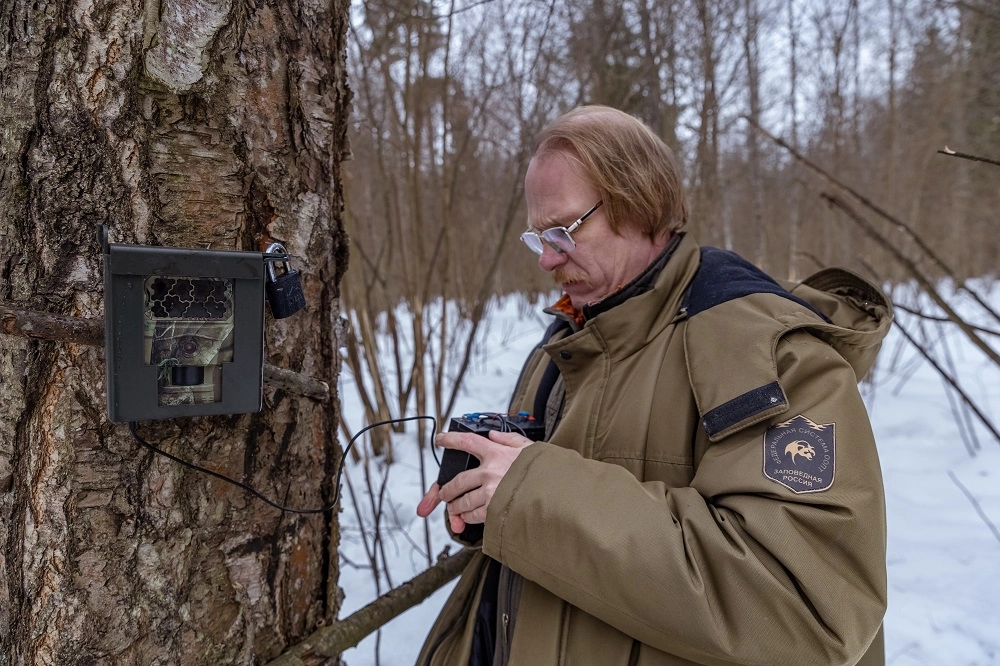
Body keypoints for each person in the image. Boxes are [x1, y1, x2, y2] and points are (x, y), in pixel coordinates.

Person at [416, 105, 891, 666]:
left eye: (564, 231)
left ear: (643, 205)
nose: (546, 259)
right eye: (537, 236)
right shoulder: (570, 337)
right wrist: (491, 506)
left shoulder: (774, 357)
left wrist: (531, 495)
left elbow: (807, 614)